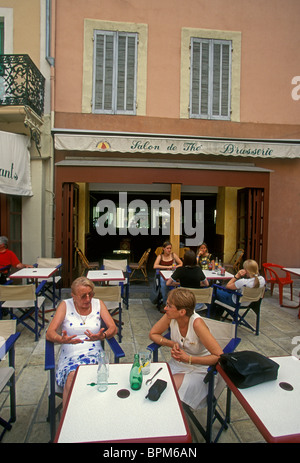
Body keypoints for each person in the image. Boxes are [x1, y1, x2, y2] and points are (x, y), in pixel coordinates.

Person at [46, 276, 117, 408]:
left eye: (91, 294)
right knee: (72, 376)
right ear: (73, 296)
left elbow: (113, 328)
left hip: (95, 353)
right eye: (83, 296)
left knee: (100, 376)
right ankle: (68, 421)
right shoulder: (65, 305)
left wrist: (103, 335)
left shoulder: (98, 303)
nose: (88, 299)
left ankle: (98, 413)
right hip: (71, 354)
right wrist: (61, 339)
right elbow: (49, 333)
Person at [149, 288, 223, 410]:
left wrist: (188, 359)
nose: (165, 308)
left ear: (182, 311)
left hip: (201, 370)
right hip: (179, 364)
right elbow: (153, 334)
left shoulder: (197, 324)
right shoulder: (171, 317)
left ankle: (173, 420)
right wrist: (172, 344)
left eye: (169, 305)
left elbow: (218, 356)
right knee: (154, 384)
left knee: (166, 389)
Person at [153, 241, 182, 307]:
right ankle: (165, 302)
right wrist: (167, 267)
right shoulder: (160, 256)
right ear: (163, 248)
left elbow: (181, 263)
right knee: (163, 283)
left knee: (174, 282)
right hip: (163, 275)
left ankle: (173, 302)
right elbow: (155, 266)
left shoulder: (173, 255)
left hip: (172, 274)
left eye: (170, 248)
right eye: (167, 248)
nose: (169, 250)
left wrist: (174, 267)